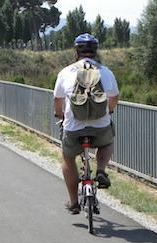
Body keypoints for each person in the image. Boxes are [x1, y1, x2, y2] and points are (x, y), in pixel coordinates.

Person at [53, 33, 119, 214]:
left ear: (76, 53)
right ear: (95, 53)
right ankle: (100, 169)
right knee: (107, 141)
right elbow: (114, 98)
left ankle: (74, 202)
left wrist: (59, 114)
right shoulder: (106, 72)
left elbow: (57, 100)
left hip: (74, 126)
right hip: (99, 125)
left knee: (68, 157)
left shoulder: (66, 72)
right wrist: (109, 110)